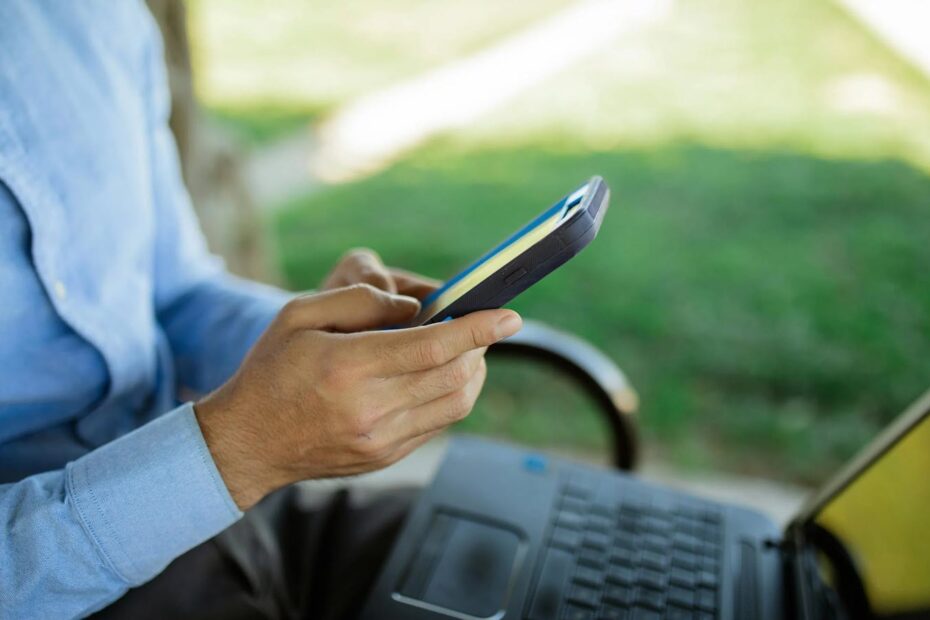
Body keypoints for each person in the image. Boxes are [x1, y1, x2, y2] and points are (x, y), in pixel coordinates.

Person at [0, 2, 523, 618]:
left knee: (540, 561)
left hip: (234, 519)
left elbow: (173, 292)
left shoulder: (92, 17)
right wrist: (236, 452)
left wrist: (319, 345)